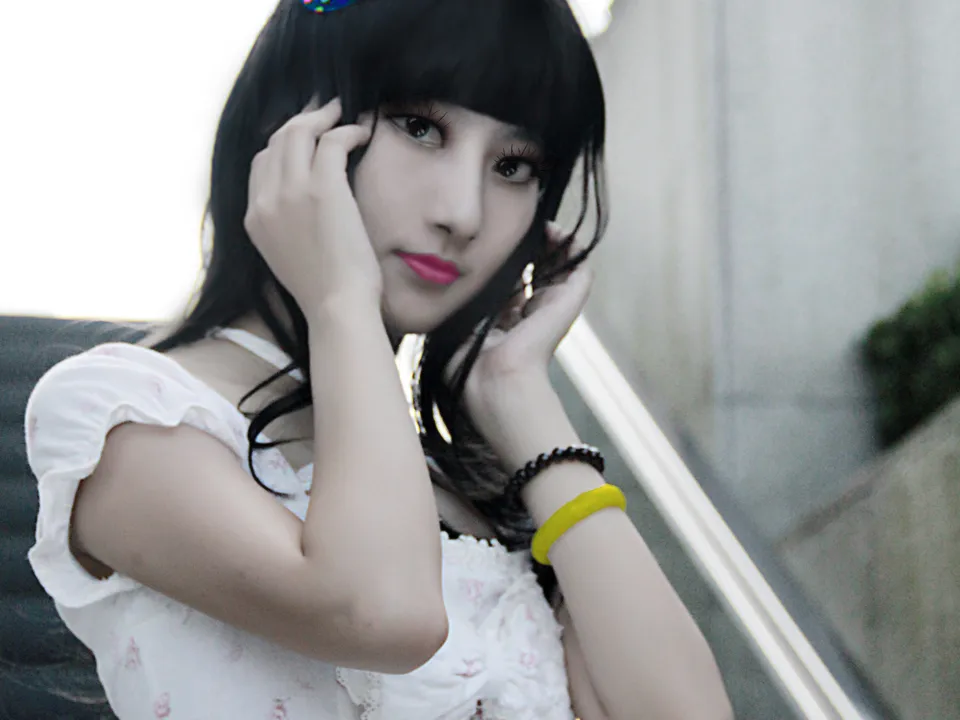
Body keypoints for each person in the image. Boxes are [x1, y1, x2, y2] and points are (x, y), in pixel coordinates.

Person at [23, 0, 733, 718]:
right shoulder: (124, 414)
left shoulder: (468, 486)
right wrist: (341, 299)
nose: (462, 212)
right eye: (420, 127)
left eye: (514, 166)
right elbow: (384, 615)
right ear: (295, 123)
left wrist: (520, 398)